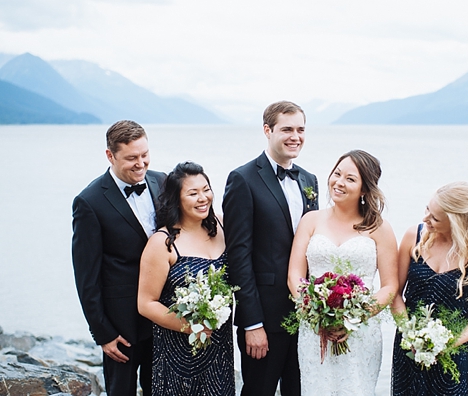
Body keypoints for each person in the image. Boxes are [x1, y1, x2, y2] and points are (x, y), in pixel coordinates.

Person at [223, 101, 319, 396]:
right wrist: (252, 323)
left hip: (306, 317)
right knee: (258, 390)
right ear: (268, 130)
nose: (295, 136)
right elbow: (238, 256)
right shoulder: (242, 179)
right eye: (287, 129)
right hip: (265, 316)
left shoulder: (309, 180)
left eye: (301, 129)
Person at [288, 149, 399, 396]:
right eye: (337, 174)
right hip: (314, 329)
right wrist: (314, 311)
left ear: (364, 189)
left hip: (360, 333)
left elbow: (390, 286)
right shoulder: (311, 220)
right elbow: (295, 274)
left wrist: (354, 317)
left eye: (350, 179)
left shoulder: (379, 228)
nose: (339, 182)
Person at [72, 120, 166, 395]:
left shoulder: (162, 181)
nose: (141, 164)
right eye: (132, 158)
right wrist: (103, 334)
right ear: (110, 155)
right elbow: (86, 276)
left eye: (145, 155)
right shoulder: (89, 202)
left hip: (163, 317)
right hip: (121, 326)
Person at [391, 181, 468, 395]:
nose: (425, 219)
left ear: (455, 222)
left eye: (435, 218)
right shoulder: (414, 237)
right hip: (409, 349)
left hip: (451, 354)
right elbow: (395, 293)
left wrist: (449, 343)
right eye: (427, 210)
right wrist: (410, 334)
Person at [137, 161, 234, 395]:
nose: (203, 198)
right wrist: (190, 326)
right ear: (176, 199)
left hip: (219, 348)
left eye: (206, 189)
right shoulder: (162, 242)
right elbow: (145, 303)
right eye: (193, 193)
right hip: (177, 351)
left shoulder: (222, 225)